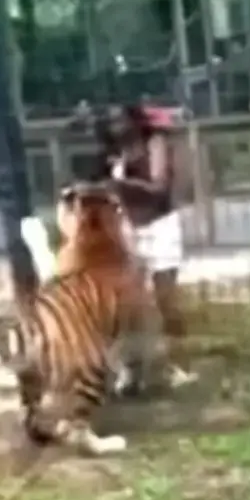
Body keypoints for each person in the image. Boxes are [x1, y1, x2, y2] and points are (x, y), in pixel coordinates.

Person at [91, 103, 196, 387]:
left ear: (133, 119)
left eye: (120, 120)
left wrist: (123, 184)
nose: (117, 127)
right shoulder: (113, 153)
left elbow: (159, 188)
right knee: (128, 305)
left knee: (166, 301)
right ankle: (132, 369)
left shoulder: (154, 142)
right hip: (129, 228)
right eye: (111, 122)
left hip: (160, 224)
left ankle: (179, 365)